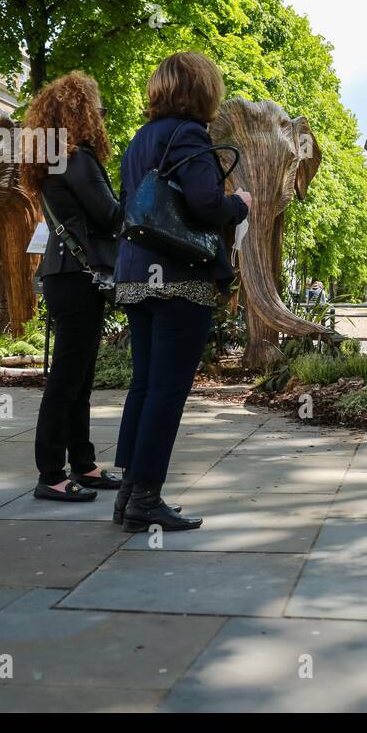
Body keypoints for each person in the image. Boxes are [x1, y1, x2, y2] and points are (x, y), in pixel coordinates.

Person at [113, 52, 251, 531]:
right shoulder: (189, 134)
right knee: (167, 392)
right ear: (203, 91)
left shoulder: (139, 139)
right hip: (179, 278)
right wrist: (240, 204)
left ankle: (129, 492)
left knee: (145, 385)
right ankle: (145, 500)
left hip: (135, 276)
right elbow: (206, 204)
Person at [23, 71, 123, 503]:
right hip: (80, 278)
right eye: (98, 107)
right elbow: (111, 217)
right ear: (83, 114)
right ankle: (51, 473)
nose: (102, 115)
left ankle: (81, 463)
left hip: (65, 277)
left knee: (77, 378)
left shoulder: (51, 162)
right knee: (68, 380)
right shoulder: (78, 160)